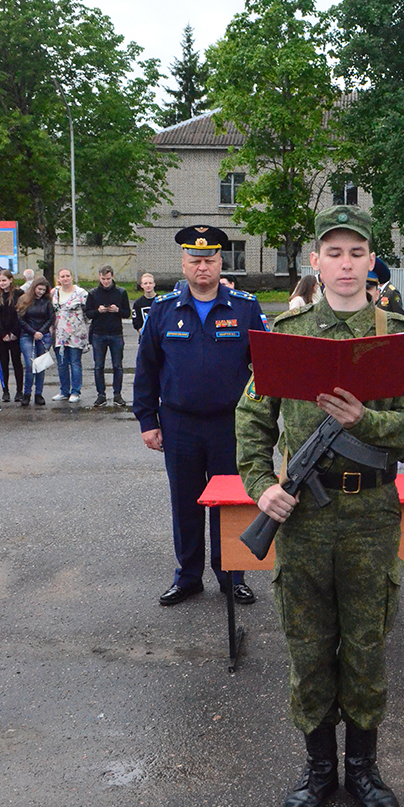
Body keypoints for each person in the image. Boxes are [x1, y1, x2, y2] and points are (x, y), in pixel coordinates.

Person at [236, 204, 404, 807]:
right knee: (308, 643)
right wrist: (262, 485)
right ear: (315, 262)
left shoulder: (397, 335)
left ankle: (364, 769)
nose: (345, 265)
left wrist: (364, 421)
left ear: (371, 260)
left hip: (372, 514)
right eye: (334, 253)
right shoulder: (287, 334)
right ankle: (319, 768)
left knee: (367, 641)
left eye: (356, 253)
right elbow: (252, 420)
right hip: (302, 516)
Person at [133, 225, 269, 607]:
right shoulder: (162, 310)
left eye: (209, 260)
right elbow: (146, 371)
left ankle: (232, 576)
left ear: (220, 262)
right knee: (186, 503)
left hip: (230, 424)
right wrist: (147, 421)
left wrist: (259, 419)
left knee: (231, 502)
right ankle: (188, 576)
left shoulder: (244, 307)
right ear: (184, 263)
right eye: (195, 260)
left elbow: (264, 367)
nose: (202, 267)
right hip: (179, 425)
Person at [85, 265, 131, 407]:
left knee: (117, 365)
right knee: (99, 366)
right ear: (99, 277)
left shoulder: (121, 292)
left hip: (116, 333)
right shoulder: (93, 294)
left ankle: (117, 394)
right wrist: (98, 311)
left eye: (108, 279)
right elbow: (88, 314)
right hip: (99, 333)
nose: (106, 282)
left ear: (112, 277)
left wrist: (117, 310)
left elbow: (126, 313)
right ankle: (101, 395)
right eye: (103, 279)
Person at [50, 268, 89, 402]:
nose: (65, 278)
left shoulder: (81, 293)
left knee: (75, 362)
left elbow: (87, 312)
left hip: (76, 333)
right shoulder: (54, 293)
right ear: (58, 279)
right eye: (62, 276)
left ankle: (75, 392)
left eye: (67, 276)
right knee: (61, 363)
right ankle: (64, 391)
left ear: (71, 277)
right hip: (59, 334)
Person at [16, 276, 55, 406]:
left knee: (40, 365)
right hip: (27, 335)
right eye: (39, 289)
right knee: (30, 364)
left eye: (44, 290)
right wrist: (33, 332)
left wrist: (41, 332)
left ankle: (38, 394)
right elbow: (21, 319)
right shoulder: (24, 300)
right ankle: (27, 393)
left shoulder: (47, 302)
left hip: (43, 335)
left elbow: (51, 318)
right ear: (34, 288)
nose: (41, 292)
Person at [0, 269, 24, 402]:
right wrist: (2, 333)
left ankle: (19, 391)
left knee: (17, 362)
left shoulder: (19, 294)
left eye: (4, 280)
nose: (2, 283)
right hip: (0, 335)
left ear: (10, 280)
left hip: (15, 334)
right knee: (3, 363)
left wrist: (14, 333)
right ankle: (5, 390)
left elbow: (21, 314)